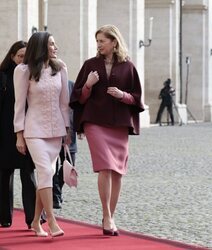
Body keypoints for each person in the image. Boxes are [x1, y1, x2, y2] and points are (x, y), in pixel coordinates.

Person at [70, 24, 144, 236]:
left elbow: (137, 98)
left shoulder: (128, 67)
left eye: (103, 40)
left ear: (114, 42)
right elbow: (79, 98)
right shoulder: (90, 65)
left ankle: (109, 216)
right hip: (95, 122)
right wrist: (88, 85)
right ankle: (107, 215)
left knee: (117, 172)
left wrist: (122, 95)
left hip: (119, 124)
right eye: (98, 41)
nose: (99, 44)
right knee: (104, 167)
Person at [13, 32, 70, 237]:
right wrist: (19, 134)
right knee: (45, 171)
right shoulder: (23, 70)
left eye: (55, 44)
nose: (55, 47)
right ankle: (52, 221)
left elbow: (64, 103)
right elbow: (19, 105)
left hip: (56, 130)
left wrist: (67, 130)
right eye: (51, 44)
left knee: (47, 174)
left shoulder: (60, 67)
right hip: (34, 129)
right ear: (41, 46)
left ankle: (36, 222)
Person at [0, 41, 37, 229]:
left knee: (28, 174)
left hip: (25, 130)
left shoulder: (31, 74)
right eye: (20, 56)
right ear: (12, 56)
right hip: (5, 132)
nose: (23, 59)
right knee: (4, 175)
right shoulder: (3, 75)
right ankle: (4, 216)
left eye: (26, 56)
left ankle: (34, 218)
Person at [53, 80, 77, 209]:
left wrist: (78, 129)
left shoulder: (70, 84)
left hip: (70, 131)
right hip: (52, 131)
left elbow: (76, 108)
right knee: (51, 166)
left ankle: (56, 188)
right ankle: (55, 195)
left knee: (70, 163)